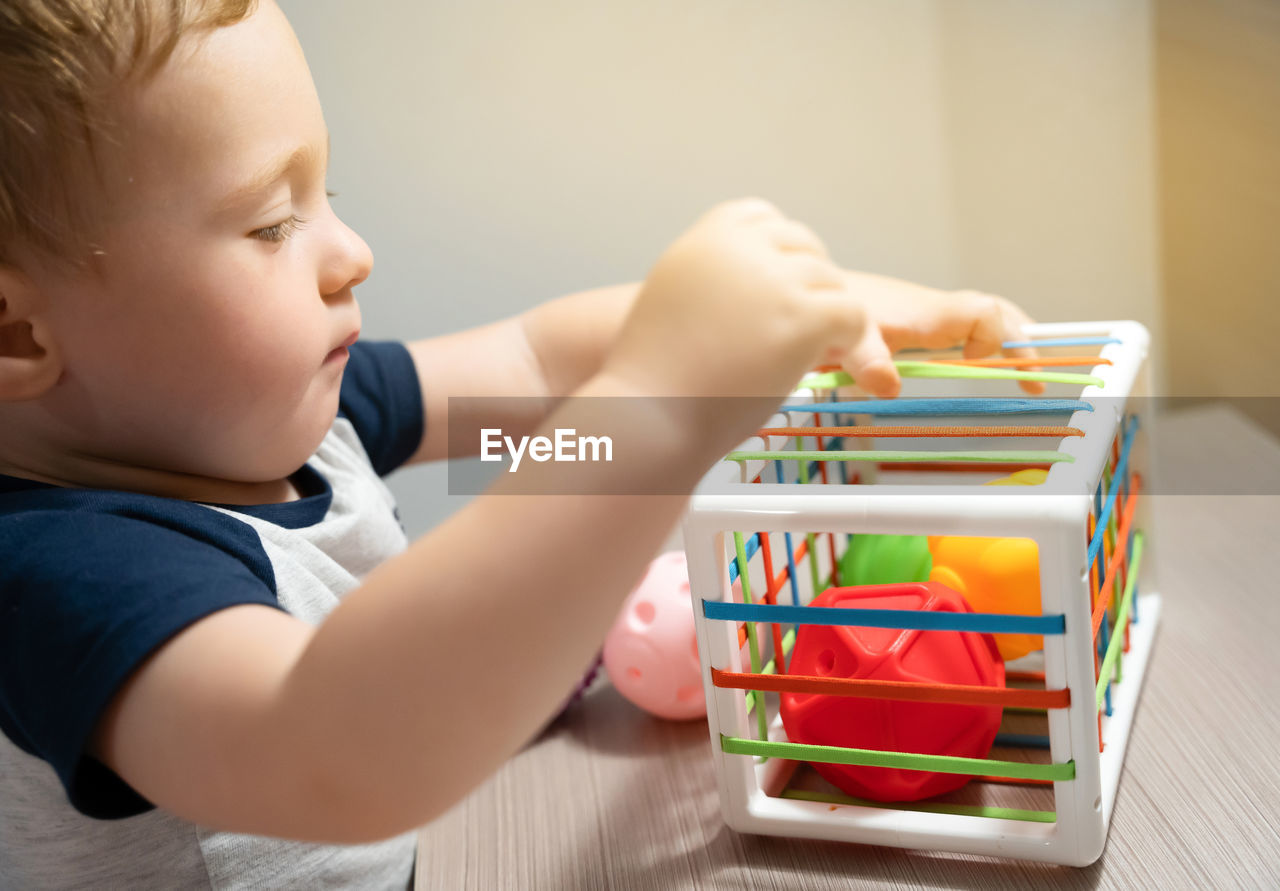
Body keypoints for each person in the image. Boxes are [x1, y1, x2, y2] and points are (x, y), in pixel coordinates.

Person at [0, 1, 1041, 887]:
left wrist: (813, 315)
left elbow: (537, 380)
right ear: (18, 335)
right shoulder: (59, 575)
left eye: (332, 199)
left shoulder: (314, 426)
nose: (350, 253)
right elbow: (337, 751)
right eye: (274, 222)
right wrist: (655, 413)